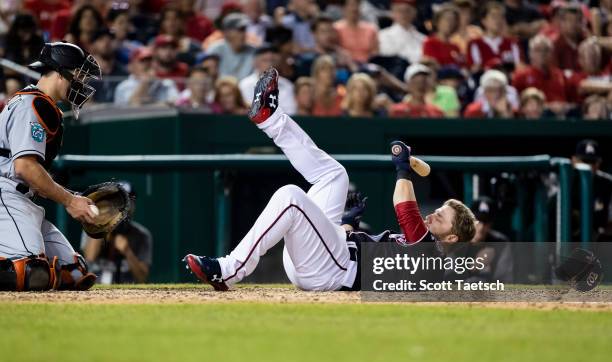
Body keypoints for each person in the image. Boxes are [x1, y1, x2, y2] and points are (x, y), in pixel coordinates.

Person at [183, 68, 476, 291]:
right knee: (334, 175)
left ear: (451, 239)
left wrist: (402, 169)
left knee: (291, 196)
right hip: (328, 257)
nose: (433, 215)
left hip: (330, 272)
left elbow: (405, 208)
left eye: (441, 218)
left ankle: (229, 269)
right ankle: (270, 119)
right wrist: (347, 224)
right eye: (438, 211)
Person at [0, 41, 100, 291]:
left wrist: (75, 198)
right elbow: (24, 167)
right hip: (5, 194)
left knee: (73, 274)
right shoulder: (32, 104)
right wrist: (69, 201)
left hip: (21, 199)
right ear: (60, 73)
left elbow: (34, 173)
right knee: (32, 273)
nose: (81, 84)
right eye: (78, 76)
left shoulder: (43, 104)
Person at [81, 182, 152, 284]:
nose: (124, 206)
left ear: (134, 205)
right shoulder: (92, 227)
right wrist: (102, 226)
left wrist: (128, 252)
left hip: (127, 291)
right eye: (119, 201)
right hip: (96, 288)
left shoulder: (141, 234)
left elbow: (142, 278)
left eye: (128, 201)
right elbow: (89, 258)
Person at [512, 35, 568, 116]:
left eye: (546, 50)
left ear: (552, 53)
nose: (542, 54)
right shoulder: (521, 76)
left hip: (560, 117)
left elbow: (570, 100)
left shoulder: (560, 75)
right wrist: (547, 107)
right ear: (530, 53)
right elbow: (517, 104)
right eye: (538, 50)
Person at [571, 140, 612, 241]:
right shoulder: (564, 180)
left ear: (599, 163)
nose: (589, 166)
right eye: (584, 161)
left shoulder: (607, 183)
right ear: (574, 160)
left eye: (592, 162)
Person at [239, 44, 296, 114]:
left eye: (272, 61)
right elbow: (249, 111)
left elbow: (291, 111)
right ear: (255, 63)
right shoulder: (245, 84)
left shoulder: (287, 85)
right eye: (265, 60)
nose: (270, 64)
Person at [467, 2, 521, 73]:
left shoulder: (512, 43)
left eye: (500, 17)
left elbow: (519, 68)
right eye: (494, 17)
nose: (498, 20)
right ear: (484, 21)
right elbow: (474, 70)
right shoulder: (475, 44)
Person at [114, 47, 179, 107]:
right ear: (133, 65)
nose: (147, 64)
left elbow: (176, 104)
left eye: (150, 60)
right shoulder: (124, 87)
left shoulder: (166, 84)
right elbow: (132, 106)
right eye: (142, 61)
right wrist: (145, 82)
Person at [468, 196, 513, 283]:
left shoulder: (499, 242)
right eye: (477, 220)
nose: (481, 227)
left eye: (486, 222)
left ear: (491, 223)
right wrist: (475, 266)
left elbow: (505, 281)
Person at [208, 13, 256, 80]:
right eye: (240, 30)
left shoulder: (254, 51)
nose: (244, 34)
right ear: (227, 32)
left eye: (244, 29)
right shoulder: (215, 50)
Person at [378, 0, 425, 65]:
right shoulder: (383, 35)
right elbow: (388, 57)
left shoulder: (422, 38)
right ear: (392, 13)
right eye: (399, 11)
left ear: (415, 13)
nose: (404, 14)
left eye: (408, 11)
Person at [89, 28, 129, 103]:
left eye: (110, 39)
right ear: (93, 45)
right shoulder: (85, 73)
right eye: (101, 39)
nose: (106, 43)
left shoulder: (124, 72)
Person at [422, 3, 464, 67]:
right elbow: (432, 66)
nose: (450, 23)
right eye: (446, 19)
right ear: (437, 21)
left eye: (453, 20)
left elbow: (462, 65)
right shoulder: (430, 43)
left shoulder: (455, 47)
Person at [552, 4, 586, 73]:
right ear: (561, 23)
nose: (573, 24)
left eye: (578, 21)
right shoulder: (554, 46)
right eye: (570, 20)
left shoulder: (586, 43)